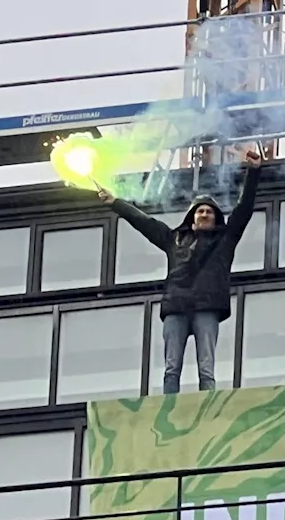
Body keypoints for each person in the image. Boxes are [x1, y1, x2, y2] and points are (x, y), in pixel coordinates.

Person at [98, 147, 262, 393]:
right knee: (171, 368)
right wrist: (115, 203)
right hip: (176, 305)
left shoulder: (225, 239)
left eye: (208, 211)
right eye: (200, 211)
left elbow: (244, 209)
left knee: (206, 367)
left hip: (207, 306)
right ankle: (169, 407)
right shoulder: (173, 239)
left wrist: (254, 173)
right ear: (192, 217)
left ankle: (206, 406)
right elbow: (145, 223)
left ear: (216, 218)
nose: (204, 214)